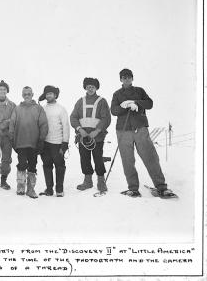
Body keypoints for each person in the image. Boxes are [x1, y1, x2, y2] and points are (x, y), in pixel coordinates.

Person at [111, 68, 176, 198]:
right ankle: (133, 188)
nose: (126, 79)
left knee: (150, 156)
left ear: (132, 78)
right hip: (123, 130)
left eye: (129, 76)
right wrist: (124, 106)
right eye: (124, 77)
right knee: (127, 160)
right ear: (120, 80)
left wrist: (136, 103)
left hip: (140, 128)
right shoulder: (117, 94)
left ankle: (162, 187)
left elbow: (149, 103)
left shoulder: (139, 91)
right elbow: (113, 110)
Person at [70, 78, 111, 192]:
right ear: (85, 88)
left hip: (97, 137)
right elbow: (73, 117)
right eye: (88, 86)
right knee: (84, 158)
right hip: (83, 137)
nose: (90, 88)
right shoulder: (80, 101)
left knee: (98, 158)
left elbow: (106, 118)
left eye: (93, 87)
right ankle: (87, 181)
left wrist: (97, 131)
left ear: (96, 88)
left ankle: (101, 181)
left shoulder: (102, 101)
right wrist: (79, 129)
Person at [9, 86, 48, 199]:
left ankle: (31, 189)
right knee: (21, 164)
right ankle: (21, 186)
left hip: (34, 143)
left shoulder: (38, 108)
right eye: (25, 94)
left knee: (32, 165)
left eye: (29, 94)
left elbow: (44, 124)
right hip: (21, 142)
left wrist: (41, 140)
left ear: (32, 94)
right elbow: (12, 124)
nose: (27, 96)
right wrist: (12, 139)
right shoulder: (17, 109)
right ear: (22, 95)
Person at [38, 85, 70, 197]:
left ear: (55, 95)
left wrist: (65, 143)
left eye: (51, 93)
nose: (49, 95)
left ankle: (59, 190)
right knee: (47, 166)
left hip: (57, 143)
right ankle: (49, 189)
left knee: (60, 166)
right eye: (47, 94)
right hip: (45, 143)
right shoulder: (42, 108)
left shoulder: (61, 109)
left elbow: (66, 126)